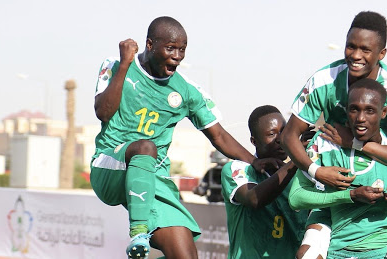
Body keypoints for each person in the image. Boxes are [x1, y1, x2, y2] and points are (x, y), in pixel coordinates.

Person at [90, 16, 278, 259]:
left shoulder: (186, 90)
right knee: (145, 147)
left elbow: (218, 135)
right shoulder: (115, 65)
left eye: (182, 50)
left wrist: (253, 161)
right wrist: (125, 64)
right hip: (109, 166)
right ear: (150, 45)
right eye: (170, 48)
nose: (177, 55)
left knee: (185, 255)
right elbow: (102, 112)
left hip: (153, 180)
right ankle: (138, 232)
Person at [280, 11, 387, 258]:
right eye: (351, 46)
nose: (356, 55)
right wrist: (316, 171)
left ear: (381, 54)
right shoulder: (324, 80)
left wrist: (355, 143)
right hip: (339, 190)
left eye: (365, 50)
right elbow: (289, 136)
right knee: (306, 255)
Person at [289, 79, 387, 259]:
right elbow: (295, 197)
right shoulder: (325, 143)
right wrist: (350, 196)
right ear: (346, 110)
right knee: (307, 256)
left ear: (383, 112)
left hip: (384, 236)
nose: (361, 118)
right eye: (354, 109)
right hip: (336, 226)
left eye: (370, 110)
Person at [221, 105, 310, 258]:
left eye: (283, 132)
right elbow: (254, 199)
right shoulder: (238, 169)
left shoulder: (302, 175)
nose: (280, 139)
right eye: (271, 134)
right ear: (254, 141)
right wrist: (297, 158)